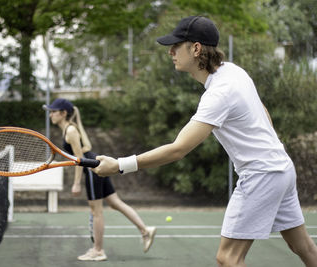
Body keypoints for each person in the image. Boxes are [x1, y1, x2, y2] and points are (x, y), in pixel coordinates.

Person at [93, 16, 317, 266]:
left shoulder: (218, 93)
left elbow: (178, 150)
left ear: (196, 49)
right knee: (303, 247)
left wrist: (120, 165)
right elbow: (262, 110)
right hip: (282, 169)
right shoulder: (234, 71)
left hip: (261, 175)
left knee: (227, 259)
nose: (171, 52)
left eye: (176, 46)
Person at [43, 98, 156, 261]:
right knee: (114, 202)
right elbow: (78, 157)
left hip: (92, 170)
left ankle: (98, 250)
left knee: (97, 212)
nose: (51, 115)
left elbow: (79, 159)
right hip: (94, 165)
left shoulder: (70, 131)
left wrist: (76, 183)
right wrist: (58, 163)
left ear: (63, 113)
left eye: (53, 112)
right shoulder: (68, 129)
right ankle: (145, 231)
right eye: (50, 112)